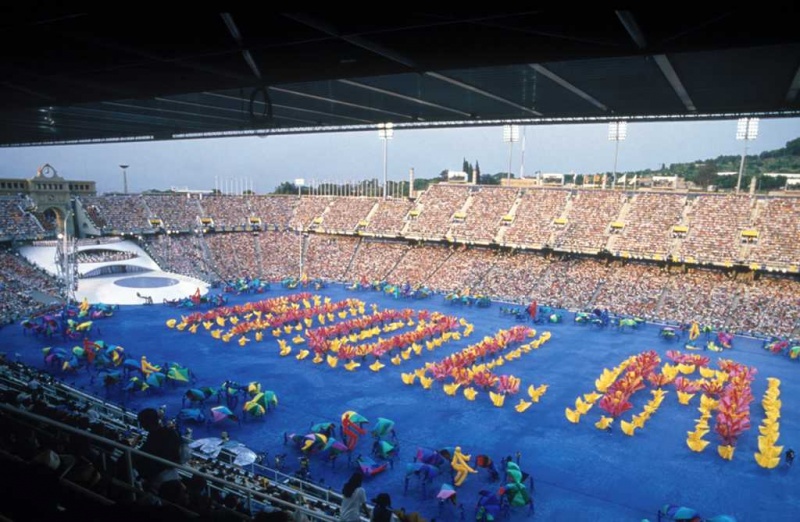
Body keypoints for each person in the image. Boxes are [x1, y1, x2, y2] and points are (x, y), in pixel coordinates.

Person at [135, 407, 183, 494]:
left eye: (142, 423)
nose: (141, 425)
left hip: (159, 478)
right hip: (171, 474)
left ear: (145, 423)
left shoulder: (153, 438)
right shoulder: (171, 433)